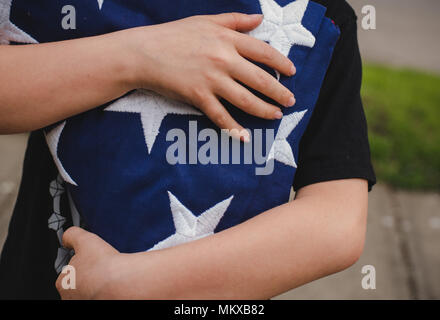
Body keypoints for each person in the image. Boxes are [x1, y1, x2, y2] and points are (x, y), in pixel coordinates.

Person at [0, 0, 375, 299]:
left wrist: (126, 285)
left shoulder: (319, 16)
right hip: (41, 277)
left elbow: (336, 222)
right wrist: (139, 56)